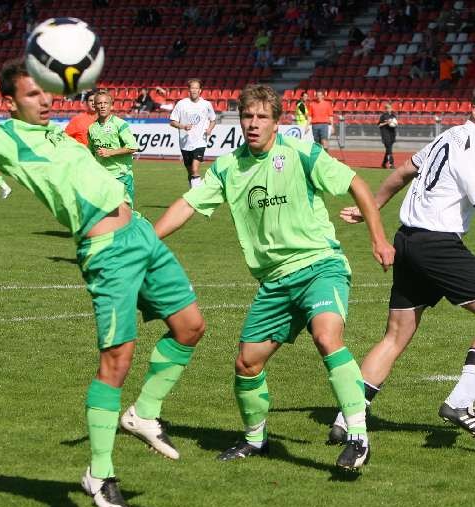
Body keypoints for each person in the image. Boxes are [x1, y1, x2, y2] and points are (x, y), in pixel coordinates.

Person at [0, 37, 205, 507]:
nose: (45, 100)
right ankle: (100, 474)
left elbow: (1, 133)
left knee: (190, 327)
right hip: (108, 252)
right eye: (32, 94)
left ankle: (143, 414)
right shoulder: (10, 139)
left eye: (45, 91)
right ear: (12, 102)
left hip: (143, 235)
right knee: (117, 361)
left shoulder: (52, 131)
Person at [154, 84, 395, 470]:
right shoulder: (228, 167)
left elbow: (356, 184)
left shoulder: (300, 153)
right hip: (275, 282)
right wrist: (148, 240)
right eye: (247, 116)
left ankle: (358, 436)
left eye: (262, 117)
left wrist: (378, 238)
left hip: (319, 265)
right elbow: (187, 205)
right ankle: (255, 440)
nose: (253, 123)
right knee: (247, 363)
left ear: (276, 122)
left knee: (327, 337)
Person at [329, 80, 475, 444]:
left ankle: (346, 419)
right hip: (437, 246)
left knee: (395, 336)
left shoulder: (446, 136)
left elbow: (403, 171)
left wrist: (372, 207)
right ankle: (460, 403)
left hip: (408, 241)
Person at [88, 90, 139, 206]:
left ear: (111, 105)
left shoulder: (120, 124)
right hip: (103, 178)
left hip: (121, 176)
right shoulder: (92, 128)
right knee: (105, 213)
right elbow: (91, 153)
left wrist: (110, 152)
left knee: (126, 213)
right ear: (95, 106)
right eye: (99, 103)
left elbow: (133, 147)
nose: (102, 106)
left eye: (105, 103)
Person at [169, 78, 216, 188]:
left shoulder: (206, 104)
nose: (194, 90)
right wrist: (183, 126)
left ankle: (198, 195)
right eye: (192, 88)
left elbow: (213, 120)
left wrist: (209, 129)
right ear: (188, 90)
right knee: (190, 172)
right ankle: (193, 191)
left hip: (200, 142)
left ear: (200, 90)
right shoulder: (181, 104)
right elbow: (172, 122)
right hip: (185, 143)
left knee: (195, 169)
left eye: (196, 88)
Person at [378, 102, 398, 169]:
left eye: (390, 108)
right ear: (385, 109)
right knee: (389, 150)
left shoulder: (393, 115)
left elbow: (395, 123)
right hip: (385, 135)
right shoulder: (383, 116)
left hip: (392, 134)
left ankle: (383, 164)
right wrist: (387, 122)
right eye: (387, 108)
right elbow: (379, 125)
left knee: (388, 150)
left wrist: (395, 123)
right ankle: (391, 164)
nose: (389, 109)